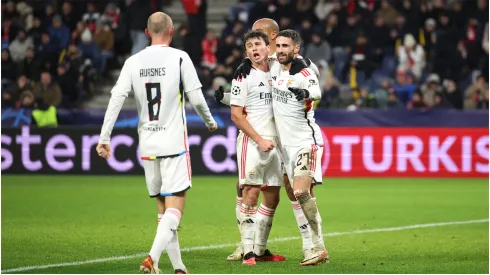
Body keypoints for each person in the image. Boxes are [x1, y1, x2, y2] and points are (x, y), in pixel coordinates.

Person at [96, 12, 217, 274]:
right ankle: (151, 257)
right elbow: (196, 97)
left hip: (148, 144)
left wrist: (105, 136)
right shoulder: (179, 57)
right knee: (177, 205)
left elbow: (116, 98)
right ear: (172, 31)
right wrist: (209, 121)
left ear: (148, 32)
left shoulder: (132, 61)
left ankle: (178, 267)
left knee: (163, 209)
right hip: (173, 143)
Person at [215, 18, 322, 263]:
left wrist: (305, 99)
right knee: (249, 188)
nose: (255, 41)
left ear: (272, 37)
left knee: (296, 189)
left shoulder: (295, 63)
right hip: (265, 136)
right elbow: (256, 96)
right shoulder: (256, 65)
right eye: (251, 39)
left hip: (291, 136)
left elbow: (313, 94)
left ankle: (310, 245)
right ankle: (250, 246)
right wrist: (226, 96)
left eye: (260, 35)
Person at [270, 29, 328, 266]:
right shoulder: (274, 66)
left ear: (296, 49)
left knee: (302, 192)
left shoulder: (304, 71)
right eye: (279, 46)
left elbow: (316, 91)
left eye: (287, 46)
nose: (282, 50)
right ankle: (313, 246)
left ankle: (319, 247)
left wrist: (305, 93)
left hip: (307, 142)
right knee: (300, 194)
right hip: (286, 147)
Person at [230, 30, 286, 265]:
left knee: (272, 197)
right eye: (249, 46)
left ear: (267, 47)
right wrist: (260, 140)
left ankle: (261, 249)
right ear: (246, 52)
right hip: (253, 141)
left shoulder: (278, 70)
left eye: (258, 44)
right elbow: (236, 115)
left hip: (276, 142)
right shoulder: (243, 76)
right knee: (250, 193)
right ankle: (248, 250)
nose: (254, 49)